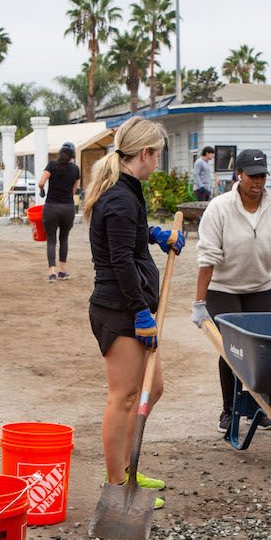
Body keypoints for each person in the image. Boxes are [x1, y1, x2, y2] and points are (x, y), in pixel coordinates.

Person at [84, 116, 184, 506]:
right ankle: (117, 485)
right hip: (119, 310)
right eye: (157, 155)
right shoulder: (121, 197)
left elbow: (126, 234)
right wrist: (141, 312)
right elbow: (121, 260)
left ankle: (127, 466)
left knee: (151, 388)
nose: (158, 162)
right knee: (124, 396)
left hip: (128, 306)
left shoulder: (126, 191)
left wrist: (155, 234)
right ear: (144, 153)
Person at [190, 149, 271, 433]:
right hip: (223, 289)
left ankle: (258, 408)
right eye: (252, 175)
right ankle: (229, 411)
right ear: (238, 175)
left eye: (262, 175)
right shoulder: (219, 208)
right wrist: (199, 302)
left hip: (260, 288)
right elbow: (207, 257)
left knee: (261, 350)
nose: (258, 181)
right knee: (232, 351)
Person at [37, 142, 82, 282]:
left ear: (60, 152)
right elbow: (75, 190)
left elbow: (41, 182)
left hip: (51, 208)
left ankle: (52, 273)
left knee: (51, 241)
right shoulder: (76, 170)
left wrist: (42, 191)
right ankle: (62, 271)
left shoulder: (52, 165)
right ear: (72, 155)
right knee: (64, 239)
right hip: (68, 209)